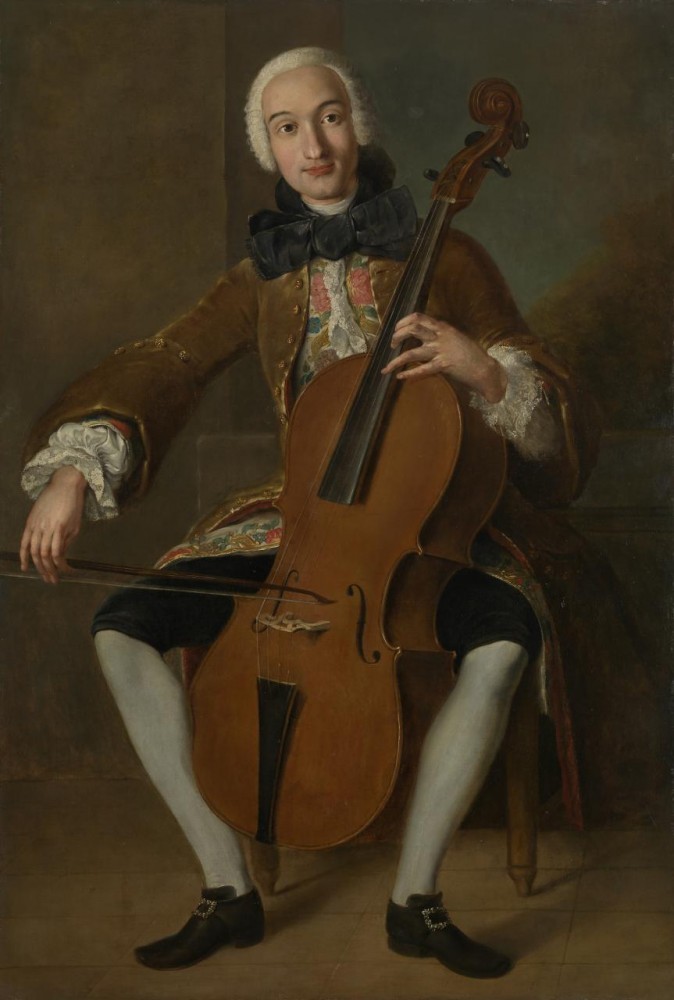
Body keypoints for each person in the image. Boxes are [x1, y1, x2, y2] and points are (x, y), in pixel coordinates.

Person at [19, 47, 599, 980]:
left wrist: (484, 372)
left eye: (328, 117)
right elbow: (168, 363)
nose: (313, 145)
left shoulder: (449, 253)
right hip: (301, 525)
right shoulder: (262, 275)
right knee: (122, 626)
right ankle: (226, 886)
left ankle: (416, 901)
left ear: (356, 123)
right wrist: (73, 476)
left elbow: (545, 406)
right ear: (270, 149)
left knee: (503, 643)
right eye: (286, 128)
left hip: (430, 528)